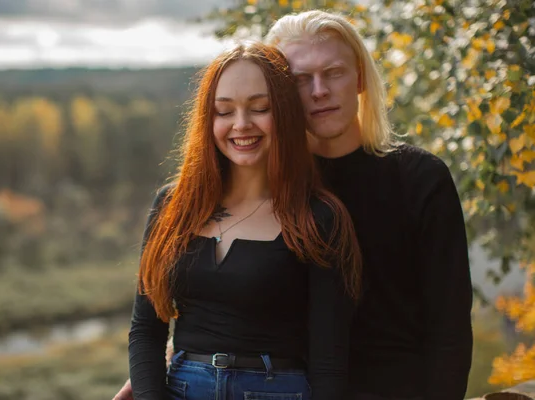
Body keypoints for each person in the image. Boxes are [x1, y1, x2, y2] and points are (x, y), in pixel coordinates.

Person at [115, 9, 473, 400]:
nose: (319, 90)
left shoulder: (418, 179)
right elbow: (227, 302)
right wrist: (159, 375)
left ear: (359, 77)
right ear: (281, 92)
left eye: (333, 72)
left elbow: (450, 330)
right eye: (301, 79)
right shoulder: (262, 181)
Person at [128, 42, 362, 400]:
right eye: (224, 111)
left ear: (284, 113)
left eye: (259, 108)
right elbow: (146, 329)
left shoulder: (318, 218)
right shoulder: (173, 206)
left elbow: (329, 360)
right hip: (181, 390)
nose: (241, 125)